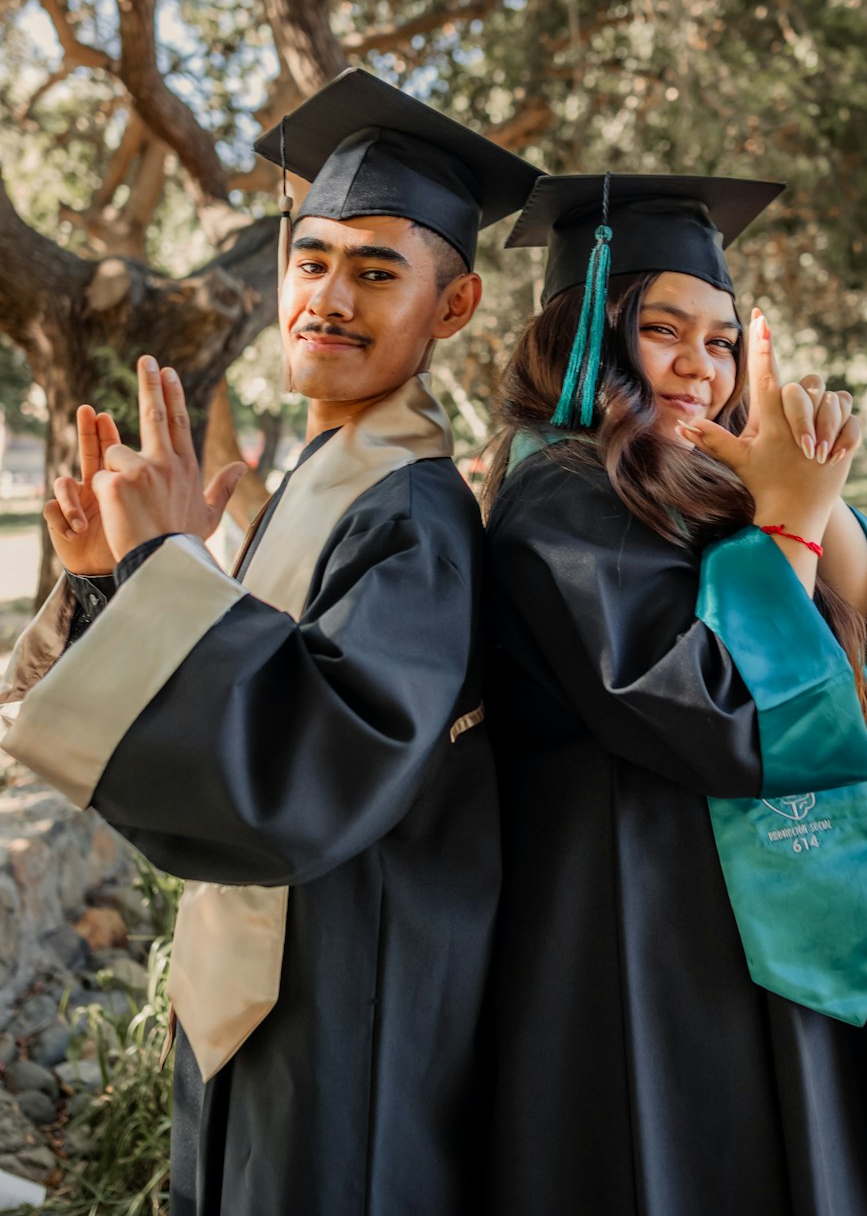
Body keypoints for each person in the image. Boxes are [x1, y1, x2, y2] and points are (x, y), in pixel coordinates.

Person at [0, 67, 542, 1216]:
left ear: (453, 308)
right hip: (281, 977)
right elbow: (253, 669)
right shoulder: (328, 474)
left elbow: (318, 762)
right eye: (312, 260)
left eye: (377, 271)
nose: (326, 298)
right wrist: (115, 582)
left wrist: (163, 575)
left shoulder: (415, 510)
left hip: (356, 990)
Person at [481, 172, 867, 1216]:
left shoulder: (694, 476)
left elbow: (852, 638)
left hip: (754, 900)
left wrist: (810, 492)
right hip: (642, 917)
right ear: (588, 329)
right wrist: (787, 528)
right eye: (662, 329)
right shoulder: (561, 489)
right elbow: (706, 705)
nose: (698, 365)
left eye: (722, 341)